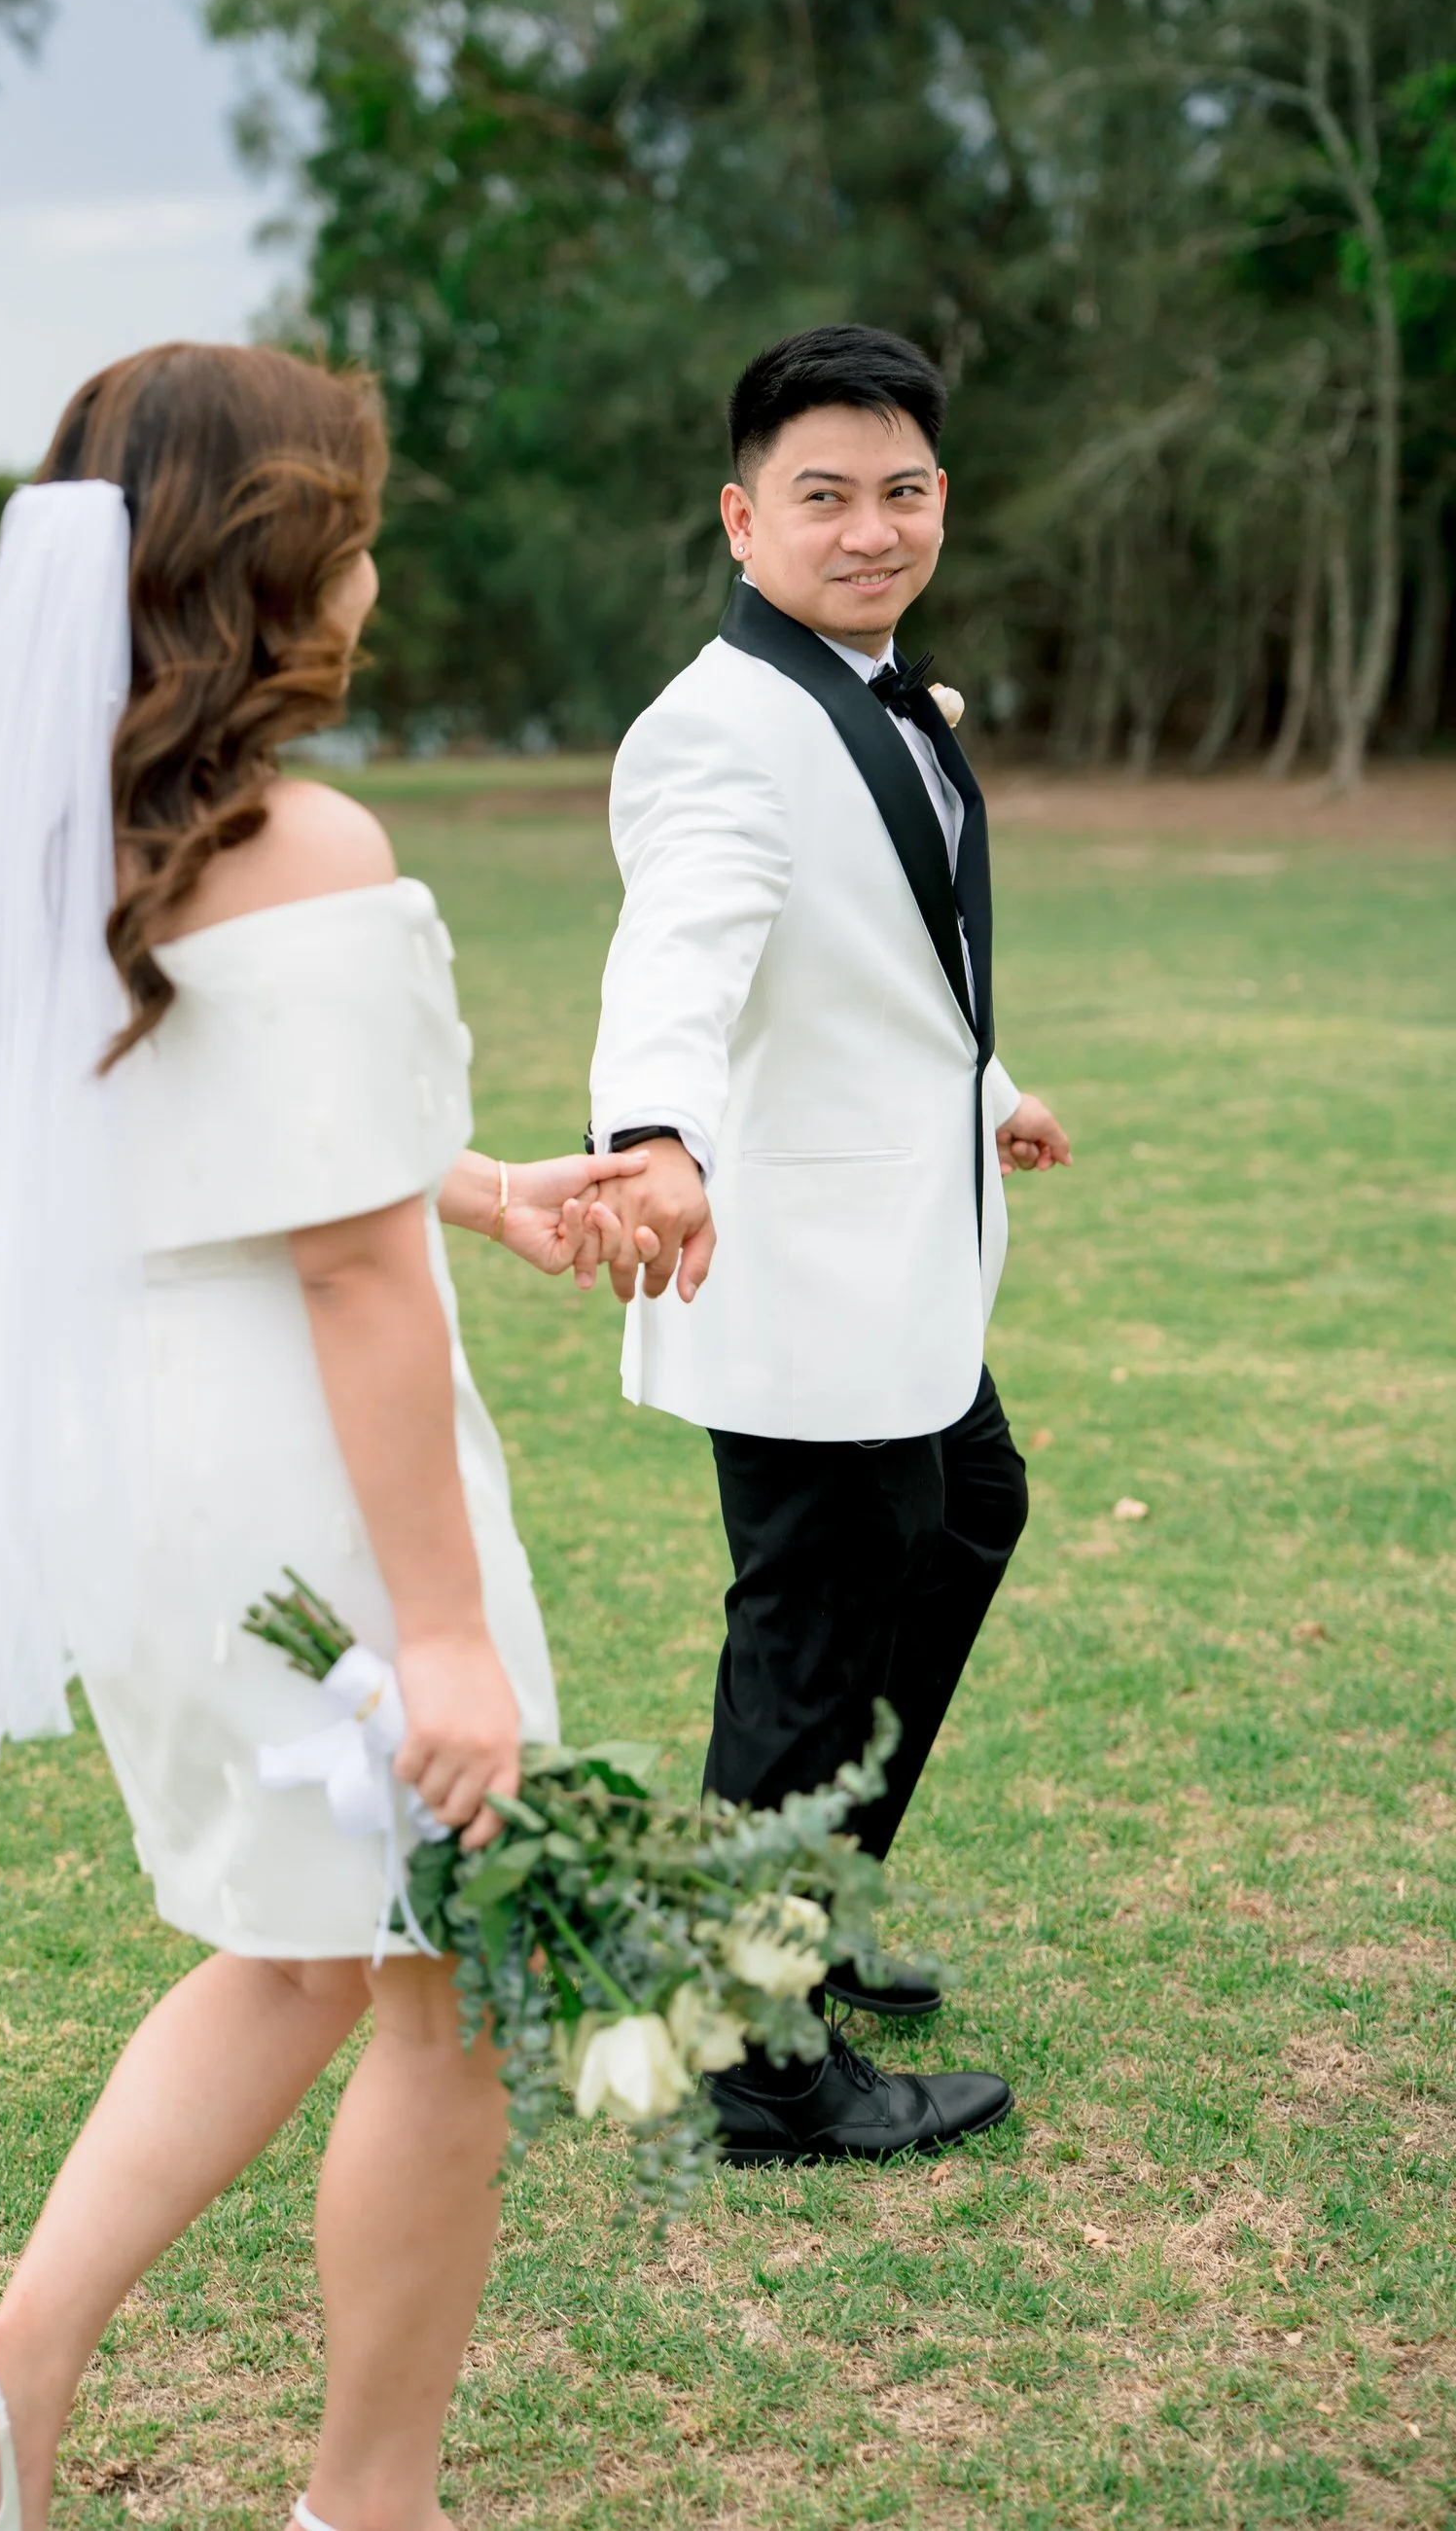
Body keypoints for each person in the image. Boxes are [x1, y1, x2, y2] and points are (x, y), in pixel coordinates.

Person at [0, 343, 642, 2531]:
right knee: (447, 1971)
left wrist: (479, 1182)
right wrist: (446, 1636)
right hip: (308, 1482)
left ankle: (2, 2385)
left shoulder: (59, 835)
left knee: (298, 1948)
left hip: (142, 1467)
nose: (375, 574)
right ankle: (371, 2507)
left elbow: (230, 1147)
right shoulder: (308, 837)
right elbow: (342, 1272)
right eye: (354, 529)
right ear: (273, 567)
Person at [585, 323, 1073, 2166]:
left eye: (904, 491)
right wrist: (650, 1134)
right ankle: (756, 2058)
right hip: (787, 1266)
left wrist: (992, 1083)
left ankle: (814, 1901)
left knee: (968, 1511)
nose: (871, 528)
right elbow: (685, 950)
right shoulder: (719, 723)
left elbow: (888, 958)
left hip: (904, 1246)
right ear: (741, 517)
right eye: (825, 495)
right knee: (812, 1628)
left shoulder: (884, 690)